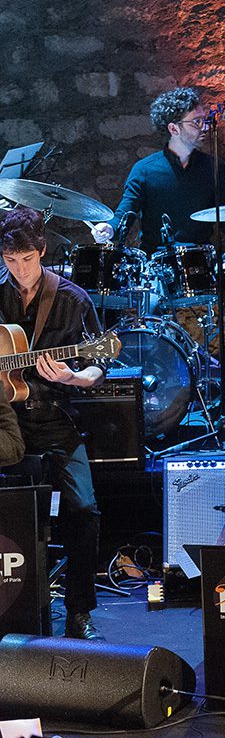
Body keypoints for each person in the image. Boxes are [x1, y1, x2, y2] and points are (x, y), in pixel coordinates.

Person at [0, 207, 104, 639]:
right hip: (5, 422)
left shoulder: (72, 299)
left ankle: (79, 611)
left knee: (84, 509)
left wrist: (73, 376)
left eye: (26, 259)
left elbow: (101, 364)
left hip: (56, 419)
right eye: (10, 261)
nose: (19, 269)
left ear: (41, 251)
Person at [92, 87, 225, 250]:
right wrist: (109, 228)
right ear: (174, 129)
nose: (205, 127)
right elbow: (124, 214)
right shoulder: (144, 171)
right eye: (197, 122)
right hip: (156, 265)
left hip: (201, 261)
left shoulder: (215, 168)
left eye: (204, 120)